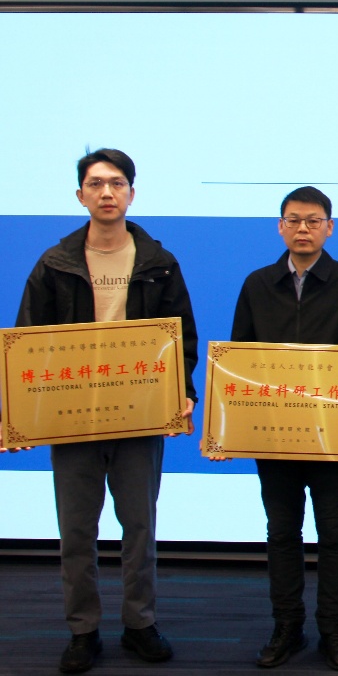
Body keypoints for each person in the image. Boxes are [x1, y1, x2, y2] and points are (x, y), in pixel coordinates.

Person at [14, 149, 197, 674]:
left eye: (117, 183)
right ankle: (83, 630)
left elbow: (182, 339)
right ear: (81, 195)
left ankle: (140, 623)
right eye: (96, 184)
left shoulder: (160, 262)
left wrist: (181, 392)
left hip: (140, 417)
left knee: (139, 527)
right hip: (73, 420)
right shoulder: (54, 264)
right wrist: (22, 414)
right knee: (76, 532)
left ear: (132, 193)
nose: (107, 192)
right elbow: (29, 342)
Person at [229, 186, 338, 670]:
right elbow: (239, 361)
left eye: (313, 221)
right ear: (280, 227)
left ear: (329, 228)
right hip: (274, 433)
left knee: (335, 534)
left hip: (332, 436)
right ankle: (287, 627)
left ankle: (334, 631)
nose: (303, 229)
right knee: (281, 533)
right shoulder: (257, 284)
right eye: (293, 220)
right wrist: (231, 429)